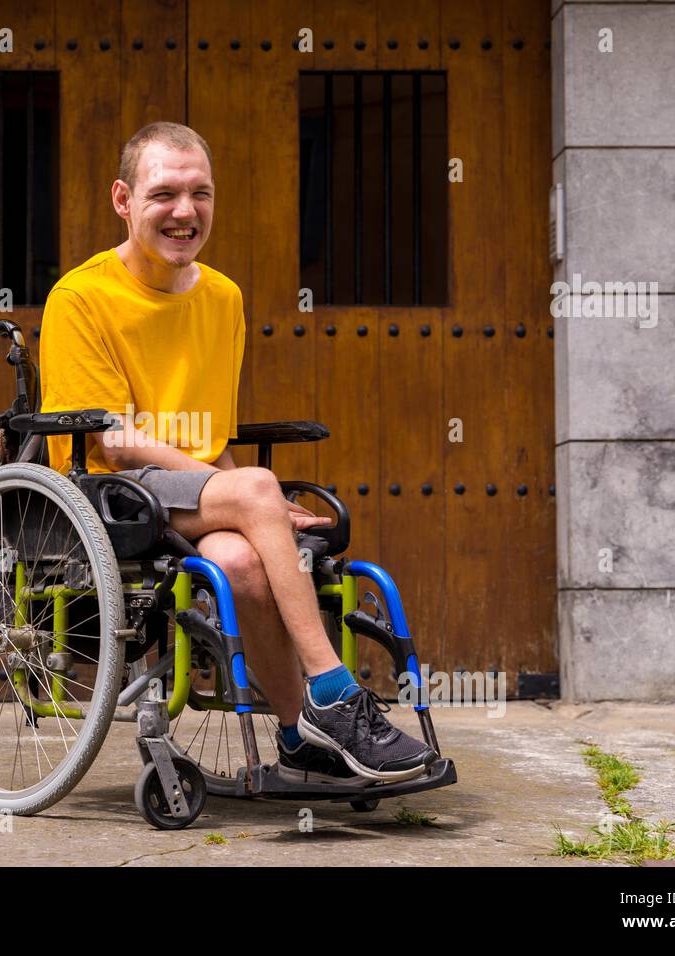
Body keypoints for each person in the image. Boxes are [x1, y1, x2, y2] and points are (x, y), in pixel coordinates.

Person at [39, 121, 437, 784]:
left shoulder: (222, 297)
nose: (185, 212)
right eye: (164, 194)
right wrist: (252, 495)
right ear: (122, 200)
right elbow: (113, 438)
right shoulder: (81, 297)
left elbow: (210, 440)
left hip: (189, 491)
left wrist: (256, 510)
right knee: (256, 492)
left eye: (201, 194)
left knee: (243, 562)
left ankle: (297, 738)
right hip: (110, 490)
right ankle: (337, 696)